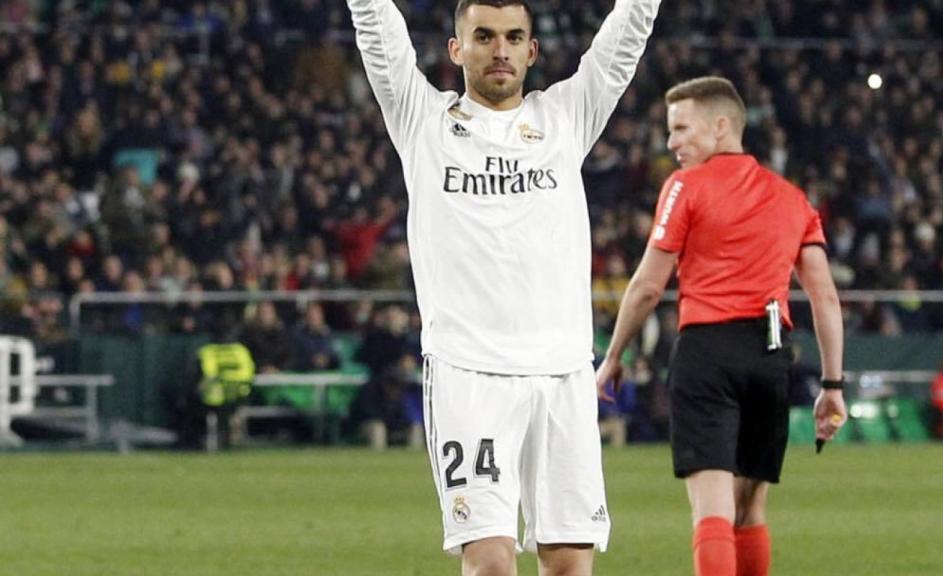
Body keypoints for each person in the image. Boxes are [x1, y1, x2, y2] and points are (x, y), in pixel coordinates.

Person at [345, 0, 661, 573]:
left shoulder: (564, 118)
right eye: (484, 36)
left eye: (514, 37)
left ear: (532, 51)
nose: (500, 49)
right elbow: (377, 27)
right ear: (456, 49)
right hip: (469, 372)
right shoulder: (424, 122)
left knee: (569, 563)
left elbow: (626, 38)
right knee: (491, 560)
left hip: (562, 370)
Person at [594, 76, 848, 576]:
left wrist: (614, 356)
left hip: (707, 351)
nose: (671, 143)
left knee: (711, 510)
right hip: (771, 354)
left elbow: (648, 285)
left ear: (722, 125)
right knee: (750, 509)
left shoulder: (685, 187)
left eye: (681, 128)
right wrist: (833, 386)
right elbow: (825, 297)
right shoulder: (793, 198)